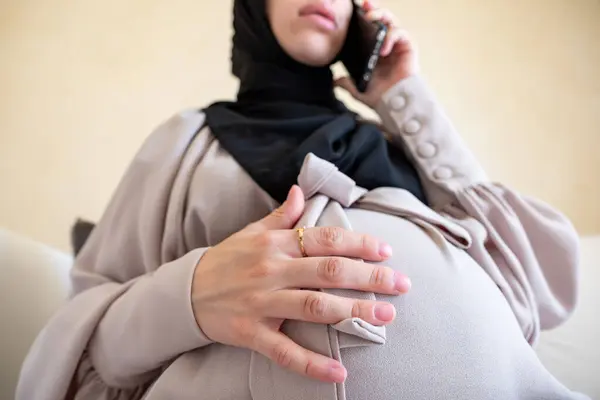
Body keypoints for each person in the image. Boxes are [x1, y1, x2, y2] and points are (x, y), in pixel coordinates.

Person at [16, 0, 589, 399]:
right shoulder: (187, 140)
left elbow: (538, 291)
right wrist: (192, 293)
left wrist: (406, 98)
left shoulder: (402, 148)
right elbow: (85, 350)